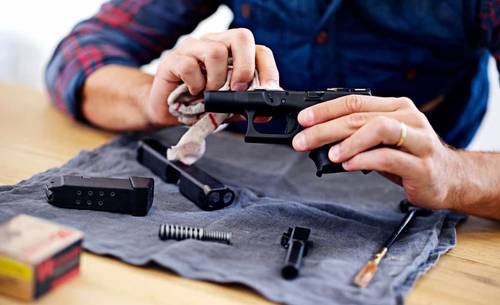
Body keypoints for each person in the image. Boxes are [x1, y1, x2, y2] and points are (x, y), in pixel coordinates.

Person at [46, 1, 500, 219]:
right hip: (235, 166)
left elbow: (458, 177)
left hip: (406, 203)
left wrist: (456, 175)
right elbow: (80, 56)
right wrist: (155, 100)